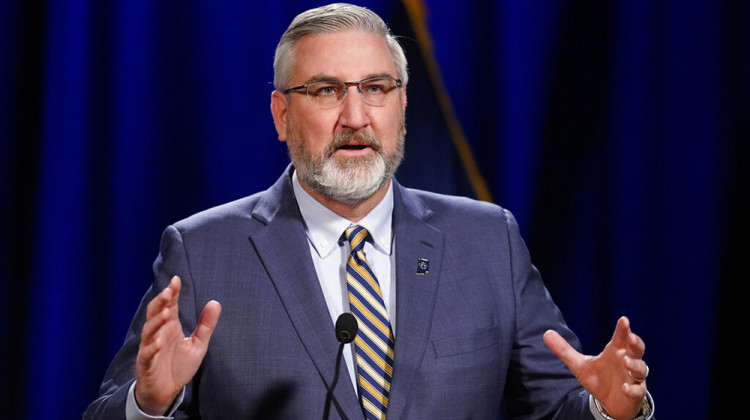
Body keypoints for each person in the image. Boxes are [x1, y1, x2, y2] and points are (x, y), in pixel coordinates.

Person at [84, 3, 654, 419]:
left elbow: (559, 405)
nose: (356, 116)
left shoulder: (487, 240)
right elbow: (108, 410)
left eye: (377, 88)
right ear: (282, 115)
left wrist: (608, 407)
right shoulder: (205, 250)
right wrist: (148, 404)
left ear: (402, 108)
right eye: (327, 90)